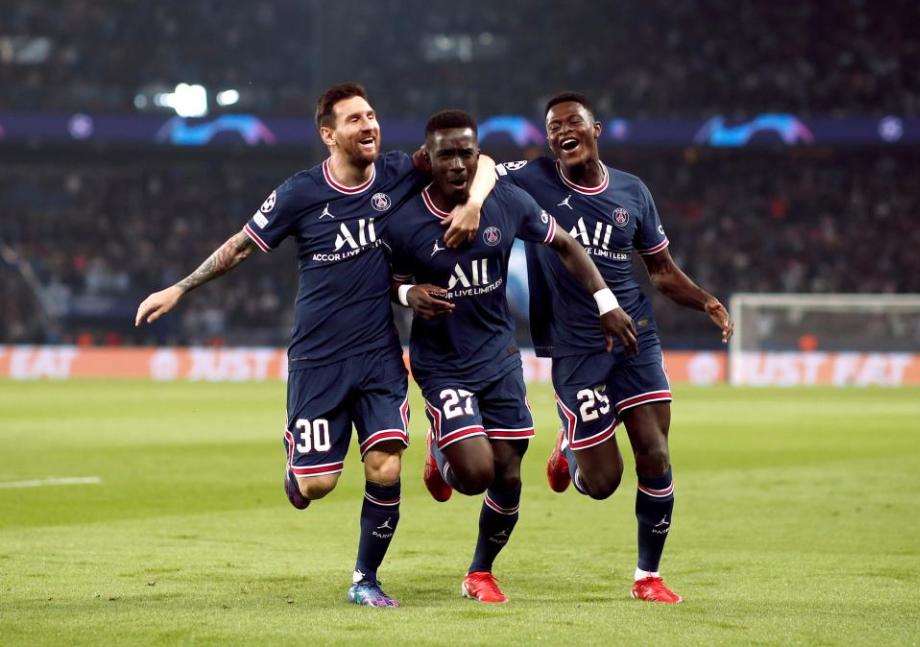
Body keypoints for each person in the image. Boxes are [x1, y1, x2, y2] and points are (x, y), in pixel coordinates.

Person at [135, 83, 495, 608]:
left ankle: (365, 579)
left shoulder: (400, 171)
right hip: (318, 358)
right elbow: (240, 246)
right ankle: (298, 471)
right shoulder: (300, 193)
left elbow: (476, 160)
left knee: (386, 465)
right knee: (317, 485)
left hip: (378, 353)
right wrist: (180, 287)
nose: (368, 125)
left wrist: (476, 204)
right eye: (354, 120)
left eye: (371, 115)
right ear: (328, 135)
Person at [382, 110, 636, 604]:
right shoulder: (406, 220)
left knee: (510, 474)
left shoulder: (506, 201)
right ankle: (441, 453)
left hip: (498, 359)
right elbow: (383, 282)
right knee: (474, 475)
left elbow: (565, 243)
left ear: (477, 157)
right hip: (444, 363)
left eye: (465, 153)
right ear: (427, 160)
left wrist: (606, 300)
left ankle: (480, 571)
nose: (457, 164)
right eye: (446, 155)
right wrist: (409, 293)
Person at [495, 92, 733, 604]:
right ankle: (571, 448)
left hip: (634, 336)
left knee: (655, 451)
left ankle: (648, 576)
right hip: (575, 347)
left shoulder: (632, 191)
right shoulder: (532, 178)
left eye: (572, 122)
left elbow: (662, 271)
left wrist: (705, 300)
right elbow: (483, 168)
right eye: (553, 126)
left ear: (595, 129)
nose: (563, 131)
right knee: (602, 482)